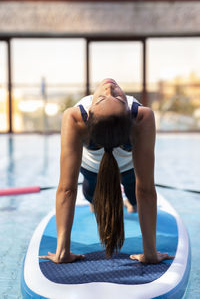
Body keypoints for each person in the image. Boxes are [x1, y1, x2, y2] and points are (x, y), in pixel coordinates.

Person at [40, 78, 173, 264]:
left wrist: (150, 252)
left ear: (129, 114)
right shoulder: (74, 118)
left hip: (128, 169)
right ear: (90, 114)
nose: (109, 88)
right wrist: (62, 251)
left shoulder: (142, 117)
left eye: (118, 98)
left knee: (134, 200)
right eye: (102, 98)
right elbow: (67, 189)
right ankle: (101, 200)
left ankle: (129, 202)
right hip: (94, 169)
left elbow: (144, 190)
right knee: (92, 198)